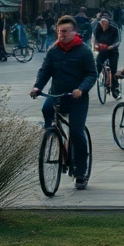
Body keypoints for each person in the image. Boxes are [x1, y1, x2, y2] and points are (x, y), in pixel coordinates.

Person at [29, 17, 96, 189]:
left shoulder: (84, 51)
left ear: (74, 32)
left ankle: (80, 172)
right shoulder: (54, 50)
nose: (61, 34)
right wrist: (37, 87)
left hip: (77, 98)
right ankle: (53, 134)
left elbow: (91, 74)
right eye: (59, 31)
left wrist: (81, 89)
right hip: (57, 93)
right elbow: (45, 70)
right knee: (46, 108)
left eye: (65, 31)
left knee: (76, 132)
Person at [92, 15, 122, 97]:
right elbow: (94, 39)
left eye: (105, 24)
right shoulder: (97, 28)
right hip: (102, 50)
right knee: (98, 63)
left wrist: (112, 46)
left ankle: (115, 88)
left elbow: (118, 40)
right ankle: (96, 76)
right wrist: (95, 46)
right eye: (102, 23)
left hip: (112, 51)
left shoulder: (114, 29)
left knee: (113, 68)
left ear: (108, 23)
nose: (103, 26)